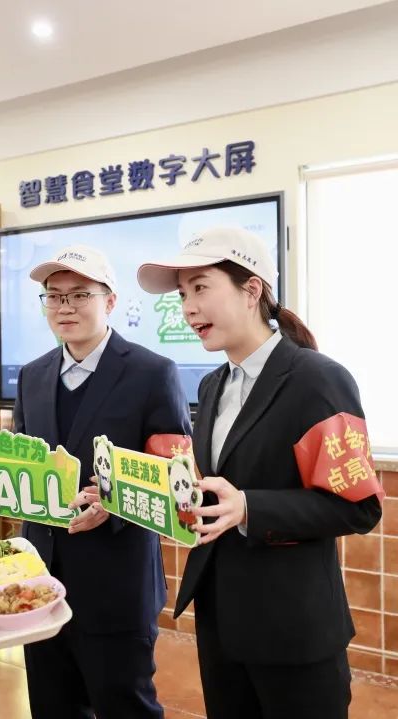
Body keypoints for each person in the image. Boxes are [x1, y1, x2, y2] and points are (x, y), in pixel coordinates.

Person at [137, 226, 383, 719]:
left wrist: (250, 507)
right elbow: (221, 484)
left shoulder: (317, 379)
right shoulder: (211, 386)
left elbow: (358, 507)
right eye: (182, 295)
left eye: (201, 288)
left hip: (293, 630)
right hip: (221, 625)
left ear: (251, 290)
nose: (188, 308)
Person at [9, 245, 190, 718]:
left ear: (110, 301)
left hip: (117, 582)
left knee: (124, 706)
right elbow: (23, 462)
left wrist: (114, 504)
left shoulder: (153, 373)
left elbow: (176, 481)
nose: (65, 307)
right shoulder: (31, 376)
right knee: (52, 705)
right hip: (41, 582)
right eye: (54, 296)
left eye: (79, 295)